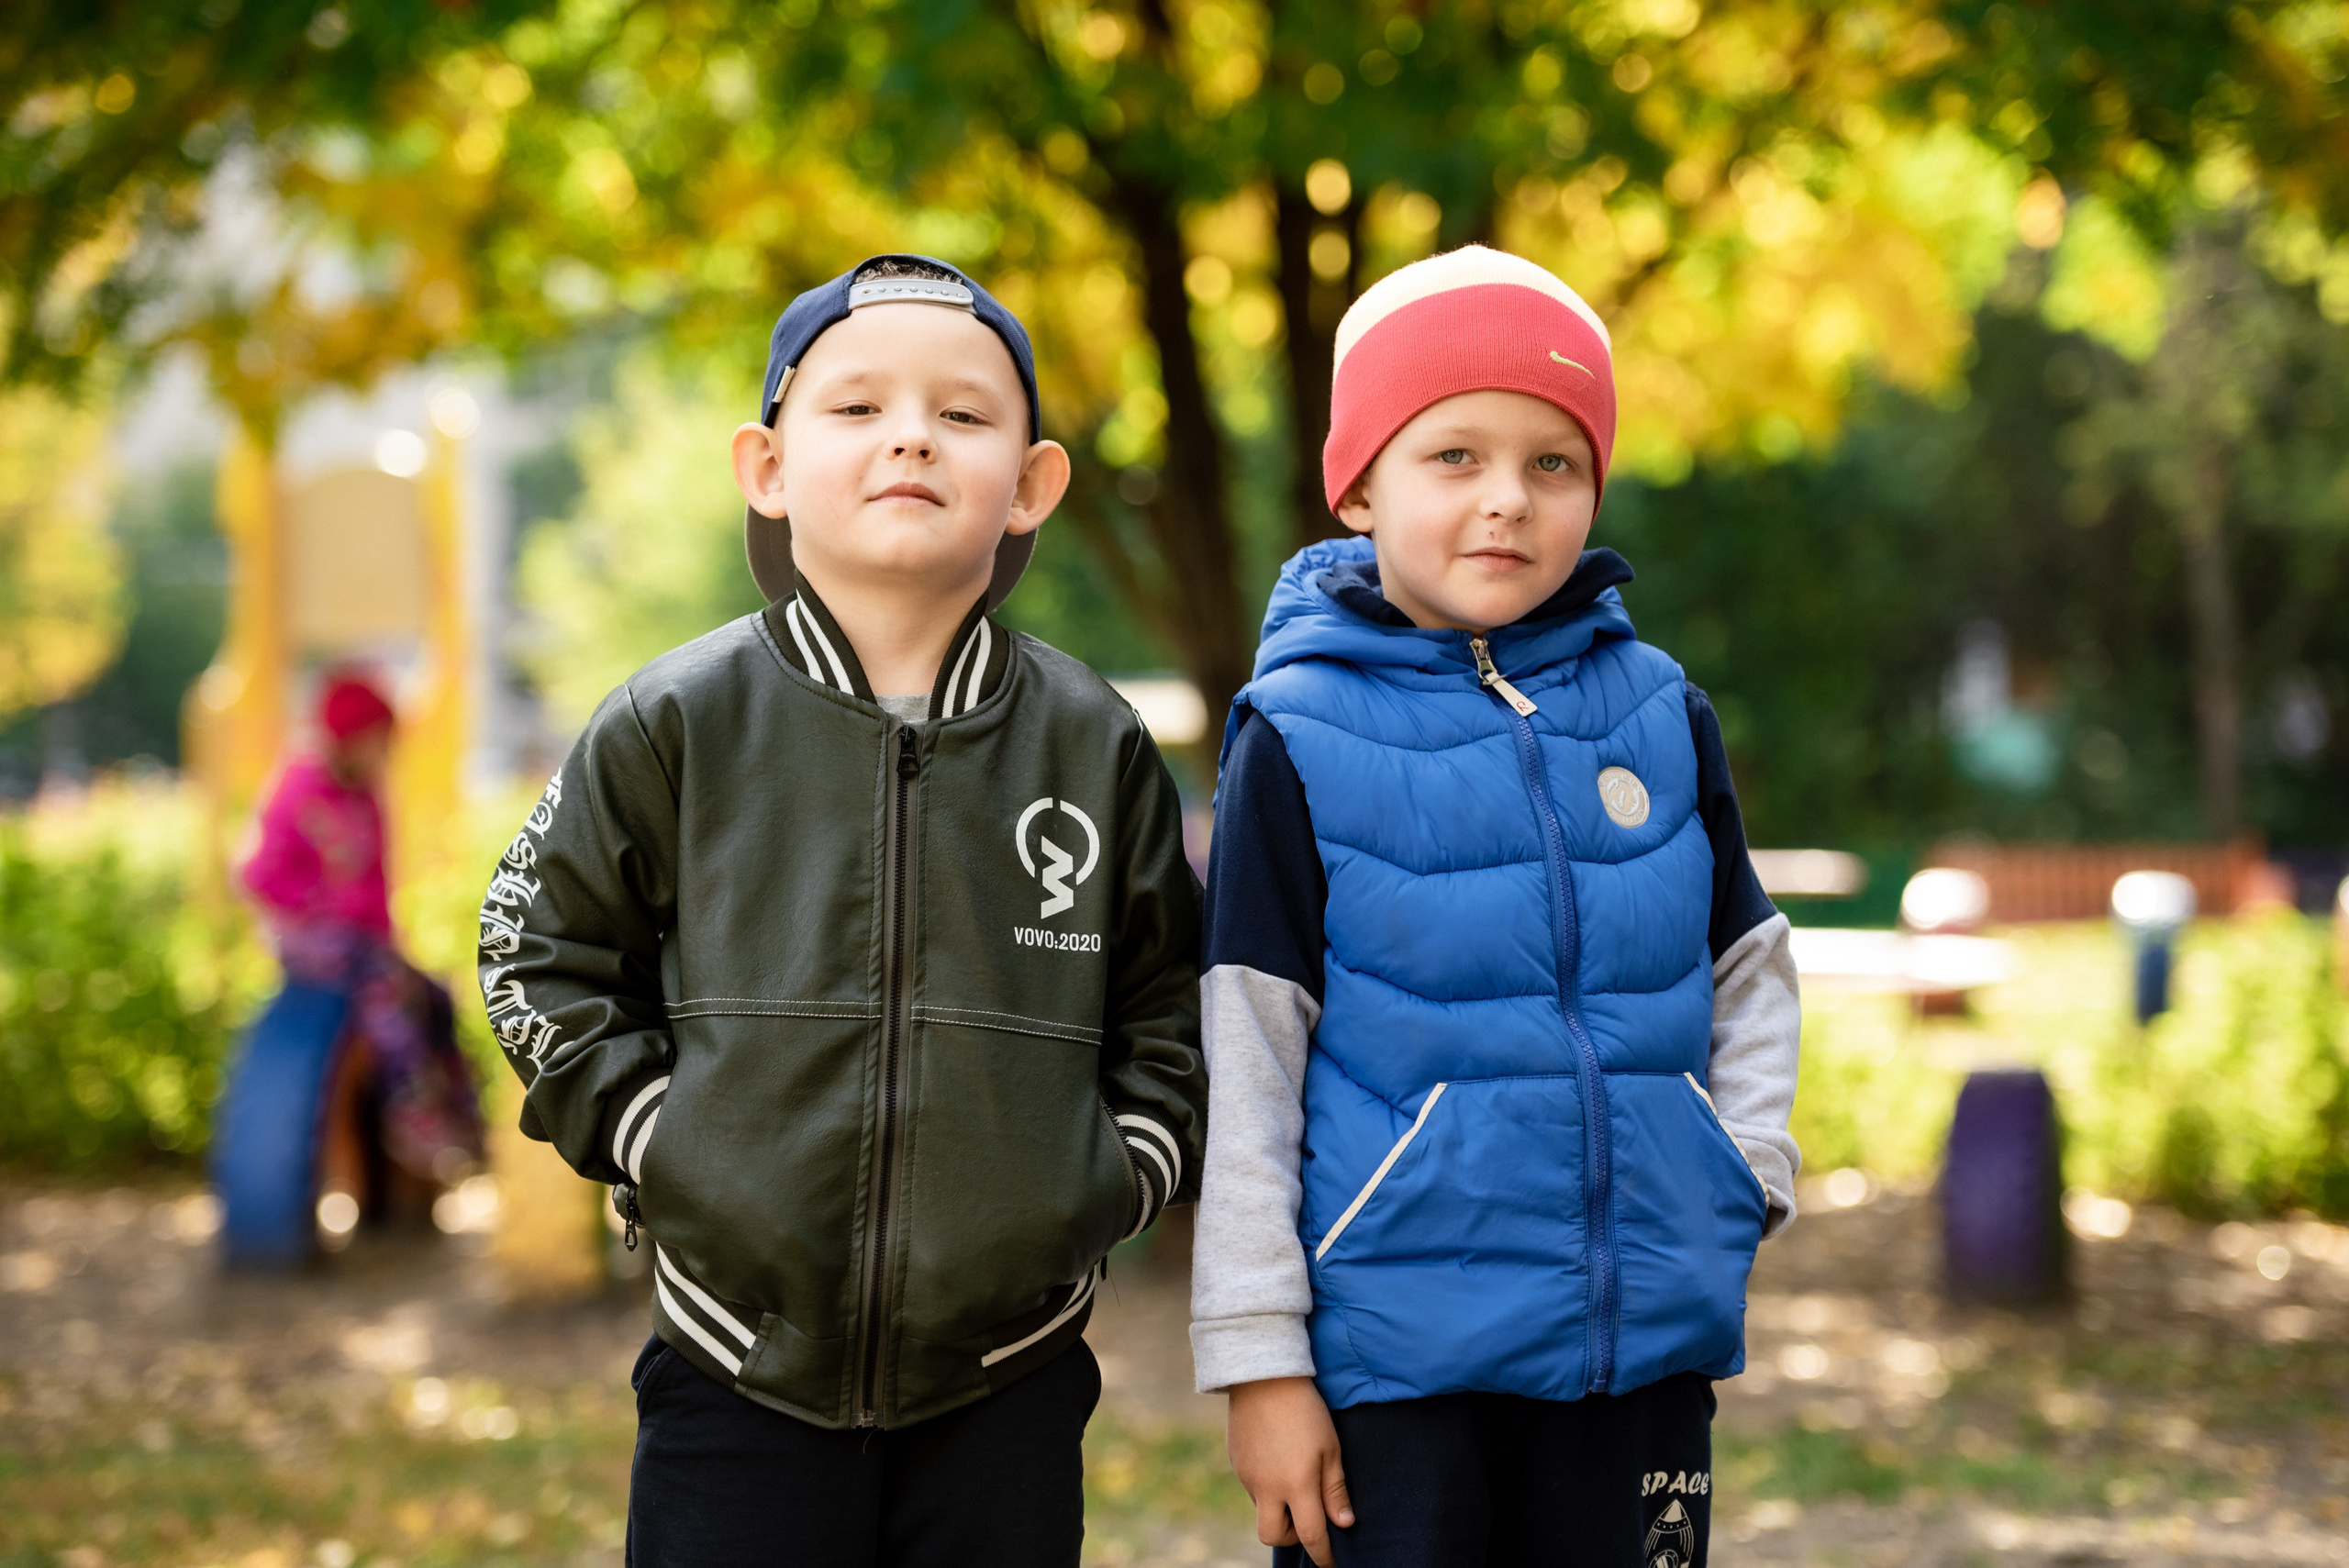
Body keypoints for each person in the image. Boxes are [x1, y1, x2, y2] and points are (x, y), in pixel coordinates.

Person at [477, 255, 1207, 1566]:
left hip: (1009, 1378)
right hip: (732, 1367)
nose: (912, 435)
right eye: (857, 408)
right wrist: (663, 1137)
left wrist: (1112, 1176)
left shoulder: (1093, 746)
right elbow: (535, 950)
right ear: (766, 465)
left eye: (964, 414)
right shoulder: (677, 721)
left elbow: (1174, 1006)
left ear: (1033, 483)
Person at [1190, 245, 1802, 1568]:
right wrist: (1257, 1362)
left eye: (1552, 462)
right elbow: (1248, 1055)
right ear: (1357, 485)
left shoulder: (1659, 712)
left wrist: (1739, 1174)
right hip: (1395, 1376)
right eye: (1453, 456)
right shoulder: (1292, 735)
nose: (1505, 501)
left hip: (1634, 1357)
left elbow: (1750, 961)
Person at [242, 673, 484, 1210]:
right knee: (383, 991)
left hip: (361, 942)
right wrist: (323, 905)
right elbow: (259, 874)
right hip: (307, 938)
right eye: (379, 741)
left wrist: (385, 940)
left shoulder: (368, 796)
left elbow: (377, 885)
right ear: (347, 737)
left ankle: (460, 1115)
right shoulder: (299, 788)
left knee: (432, 993)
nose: (386, 755)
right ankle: (409, 1110)